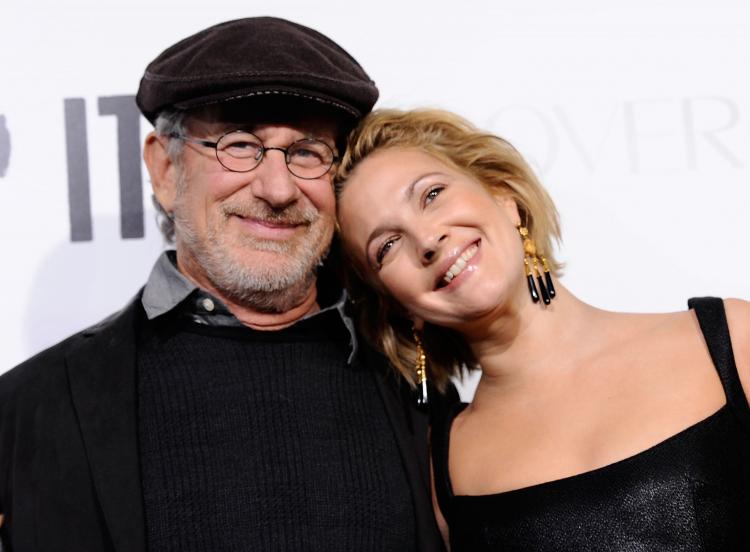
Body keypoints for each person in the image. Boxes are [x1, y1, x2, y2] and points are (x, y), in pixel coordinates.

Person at [0, 20, 453, 552]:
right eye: (240, 145)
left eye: (307, 152)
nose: (278, 188)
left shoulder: (415, 384)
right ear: (165, 169)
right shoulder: (28, 411)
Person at [334, 108, 750, 550]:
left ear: (504, 196)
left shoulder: (729, 340)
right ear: (396, 306)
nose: (427, 239)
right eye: (388, 246)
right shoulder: (443, 467)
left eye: (432, 194)